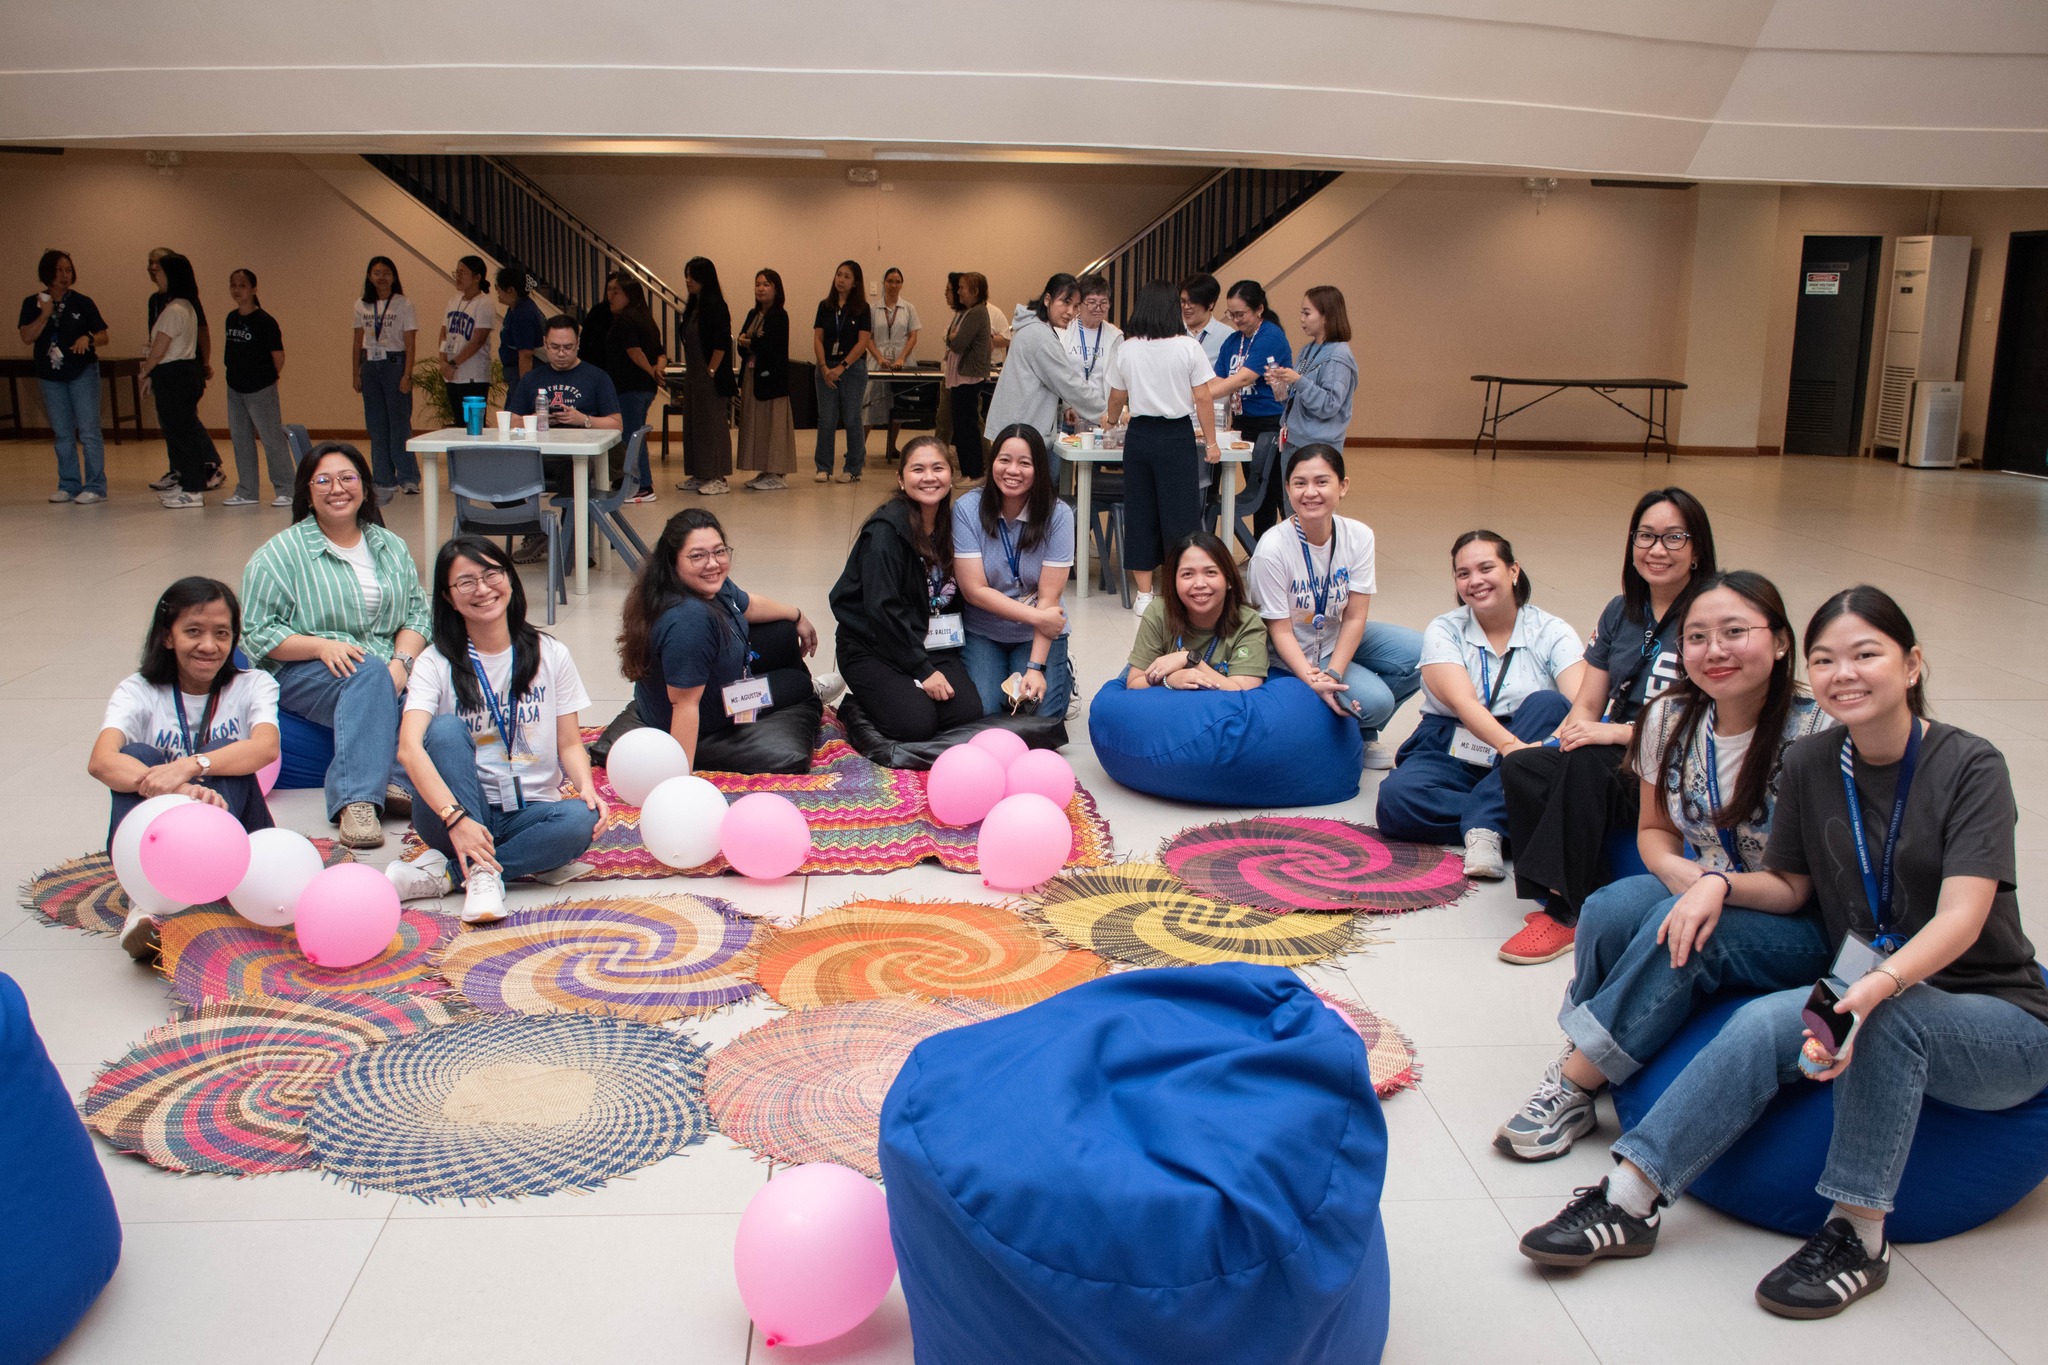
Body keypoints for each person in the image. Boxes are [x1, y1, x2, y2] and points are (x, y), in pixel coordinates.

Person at [1516, 586, 2048, 1322]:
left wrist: (1881, 986)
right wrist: (1712, 886)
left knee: (1889, 1019)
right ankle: (1629, 1198)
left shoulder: (1969, 765)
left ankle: (1858, 1236)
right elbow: (1794, 886)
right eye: (1828, 658)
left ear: (1913, 663)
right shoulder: (1814, 760)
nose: (1844, 673)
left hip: (1990, 1009)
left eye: (1867, 654)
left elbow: (1964, 915)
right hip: (1859, 968)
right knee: (1762, 1023)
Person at [1495, 570, 1833, 1162]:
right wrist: (1687, 878)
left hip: (1800, 918)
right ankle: (1595, 1051)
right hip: (1707, 883)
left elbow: (1799, 887)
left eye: (1735, 632)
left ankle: (1576, 1082)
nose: (1715, 650)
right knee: (1605, 908)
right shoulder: (1667, 718)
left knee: (1693, 931)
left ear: (1781, 641)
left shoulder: (1816, 733)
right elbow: (1655, 831)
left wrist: (1708, 891)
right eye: (1697, 637)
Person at [1498, 488, 1717, 965]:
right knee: (1523, 765)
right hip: (1615, 757)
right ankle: (1569, 888)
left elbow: (1709, 718)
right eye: (1646, 536)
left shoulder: (1712, 616)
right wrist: (1563, 739)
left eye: (1673, 538)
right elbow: (1590, 701)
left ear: (1697, 549)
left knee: (1589, 762)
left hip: (1676, 765)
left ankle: (1568, 912)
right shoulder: (1621, 612)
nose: (1657, 549)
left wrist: (1614, 734)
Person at [386, 537, 600, 924]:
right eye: (466, 582)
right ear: (449, 598)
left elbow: (569, 743)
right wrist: (457, 819)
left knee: (580, 820)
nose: (483, 589)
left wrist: (586, 786)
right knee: (446, 729)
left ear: (511, 579)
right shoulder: (435, 662)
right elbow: (409, 749)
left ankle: (458, 873)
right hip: (454, 812)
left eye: (492, 574)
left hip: (530, 810)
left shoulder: (550, 653)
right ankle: (493, 862)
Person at [240, 441, 431, 849]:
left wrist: (402, 663)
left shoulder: (389, 546)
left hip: (382, 667)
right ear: (307, 493)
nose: (337, 488)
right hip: (304, 670)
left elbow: (417, 614)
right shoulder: (279, 554)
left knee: (430, 690)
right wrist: (318, 647)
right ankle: (358, 799)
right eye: (323, 480)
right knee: (366, 675)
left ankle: (396, 783)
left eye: (347, 478)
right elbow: (257, 632)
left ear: (364, 487)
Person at [1374, 531, 1586, 878]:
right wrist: (1513, 753)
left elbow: (1581, 703)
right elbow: (1464, 702)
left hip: (1530, 734)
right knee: (1397, 801)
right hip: (1455, 744)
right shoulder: (1444, 629)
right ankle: (1508, 814)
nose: (1475, 581)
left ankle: (1487, 823)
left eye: (1486, 568)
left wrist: (1530, 753)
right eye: (1463, 573)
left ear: (1513, 571)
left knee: (1549, 704)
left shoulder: (1551, 630)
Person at [90, 577, 280, 958]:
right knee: (139, 754)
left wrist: (192, 766)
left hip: (234, 830)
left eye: (222, 634)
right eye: (193, 631)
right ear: (167, 637)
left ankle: (218, 891)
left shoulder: (254, 683)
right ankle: (146, 904)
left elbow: (265, 748)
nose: (209, 646)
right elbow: (102, 760)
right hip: (160, 841)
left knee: (229, 750)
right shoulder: (138, 689)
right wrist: (179, 791)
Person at [1249, 444, 1422, 771]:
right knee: (1378, 701)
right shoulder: (1272, 549)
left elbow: (1355, 616)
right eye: (1299, 483)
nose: (1310, 492)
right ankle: (1344, 723)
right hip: (1290, 652)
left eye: (1321, 482)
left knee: (1425, 653)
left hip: (1334, 634)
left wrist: (1334, 672)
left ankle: (1362, 731)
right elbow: (1279, 629)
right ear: (1288, 489)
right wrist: (1313, 678)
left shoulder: (1359, 536)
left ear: (1343, 486)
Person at [617, 509, 829, 773]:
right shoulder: (688, 621)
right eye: (697, 556)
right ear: (673, 561)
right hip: (720, 705)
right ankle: (812, 689)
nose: (713, 564)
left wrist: (797, 615)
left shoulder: (707, 584)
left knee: (783, 631)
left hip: (712, 678)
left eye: (719, 552)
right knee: (797, 683)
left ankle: (776, 675)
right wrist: (679, 777)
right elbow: (684, 704)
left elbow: (746, 605)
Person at [829, 436, 983, 742]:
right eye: (917, 470)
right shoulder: (886, 533)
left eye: (938, 468)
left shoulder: (951, 525)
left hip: (928, 638)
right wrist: (923, 671)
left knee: (966, 713)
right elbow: (881, 611)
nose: (929, 478)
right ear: (901, 479)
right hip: (872, 645)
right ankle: (854, 708)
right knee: (915, 725)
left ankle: (900, 696)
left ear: (951, 476)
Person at [1104, 282, 1221, 613]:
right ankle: (1177, 593)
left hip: (1140, 436)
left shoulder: (1127, 348)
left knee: (1140, 511)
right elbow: (1202, 397)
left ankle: (1144, 595)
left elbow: (1116, 397)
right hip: (1177, 436)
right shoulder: (1187, 347)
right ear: (1172, 308)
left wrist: (1111, 421)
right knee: (1180, 516)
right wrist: (1211, 443)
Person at [954, 424, 1075, 716]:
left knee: (1039, 717)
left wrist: (1036, 667)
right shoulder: (967, 508)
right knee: (982, 712)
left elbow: (1049, 597)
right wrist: (1040, 617)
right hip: (984, 630)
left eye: (1025, 463)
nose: (1013, 470)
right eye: (1004, 460)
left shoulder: (1058, 515)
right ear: (992, 461)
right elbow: (974, 591)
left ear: (1040, 469)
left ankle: (1064, 673)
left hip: (1037, 634)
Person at [504, 315, 624, 561]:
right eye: (555, 347)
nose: (561, 353)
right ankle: (536, 531)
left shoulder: (597, 377)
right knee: (496, 475)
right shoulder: (532, 379)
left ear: (578, 344)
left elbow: (616, 424)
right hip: (537, 456)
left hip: (577, 458)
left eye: (568, 347)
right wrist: (537, 420)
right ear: (545, 344)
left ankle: (574, 547)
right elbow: (512, 421)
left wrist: (584, 420)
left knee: (576, 470)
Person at [1263, 285, 1359, 530]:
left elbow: (1329, 405)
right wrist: (1280, 385)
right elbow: (1295, 399)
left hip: (1318, 444)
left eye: (1307, 313)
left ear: (1326, 316)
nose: (1301, 319)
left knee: (1312, 511)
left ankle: (1312, 563)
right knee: (1291, 509)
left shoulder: (1338, 356)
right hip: (1294, 439)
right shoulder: (1308, 350)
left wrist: (1298, 380)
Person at [19, 249, 109, 505]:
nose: (64, 275)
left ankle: (95, 485)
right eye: (59, 270)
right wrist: (45, 314)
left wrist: (88, 338)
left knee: (89, 431)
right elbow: (27, 337)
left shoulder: (83, 302)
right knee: (62, 432)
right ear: (47, 272)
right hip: (50, 375)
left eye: (68, 270)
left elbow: (103, 335)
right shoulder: (32, 303)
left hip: (82, 372)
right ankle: (68, 484)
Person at [1125, 532, 1269, 691]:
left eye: (1210, 572)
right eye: (1187, 574)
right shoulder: (1159, 612)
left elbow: (1243, 691)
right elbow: (1134, 683)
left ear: (1228, 580)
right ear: (1174, 582)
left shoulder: (1248, 622)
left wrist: (1189, 660)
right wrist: (1169, 680)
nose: (1199, 583)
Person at [982, 273, 1104, 456]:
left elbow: (1049, 379)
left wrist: (1066, 406)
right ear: (1048, 299)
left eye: (1076, 306)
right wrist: (1107, 414)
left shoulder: (1034, 327)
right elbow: (1069, 383)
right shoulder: (1040, 336)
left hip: (1018, 428)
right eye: (1065, 302)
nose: (1070, 312)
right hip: (1021, 434)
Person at [138, 252, 221, 510]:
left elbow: (159, 349)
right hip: (177, 373)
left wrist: (145, 372)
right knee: (178, 432)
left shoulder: (176, 309)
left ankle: (194, 489)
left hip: (176, 375)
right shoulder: (183, 305)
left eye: (159, 272)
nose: (156, 276)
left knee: (182, 434)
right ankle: (187, 484)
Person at [1209, 279, 1294, 533]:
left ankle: (1292, 547)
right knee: (1258, 488)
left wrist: (1198, 397)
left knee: (1277, 489)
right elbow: (1218, 378)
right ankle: (1260, 547)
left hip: (1271, 421)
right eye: (1231, 314)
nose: (1235, 319)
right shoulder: (1234, 341)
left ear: (1259, 310)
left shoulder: (1271, 336)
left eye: (1240, 314)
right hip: (1244, 422)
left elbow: (1243, 378)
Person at [220, 268, 293, 509]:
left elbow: (278, 355)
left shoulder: (265, 321)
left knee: (271, 438)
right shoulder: (231, 318)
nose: (236, 290)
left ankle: (286, 488)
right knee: (240, 438)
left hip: (260, 387)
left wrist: (269, 378)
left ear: (253, 289)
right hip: (235, 387)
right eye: (233, 285)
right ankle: (247, 489)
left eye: (242, 285)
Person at [351, 255, 419, 500]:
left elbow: (410, 343)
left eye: (386, 272)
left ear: (394, 276)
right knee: (376, 424)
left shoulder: (403, 304)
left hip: (395, 363)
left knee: (399, 423)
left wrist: (407, 374)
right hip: (370, 365)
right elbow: (358, 341)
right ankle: (383, 478)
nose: (381, 277)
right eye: (377, 272)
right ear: (370, 276)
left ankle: (408, 477)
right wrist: (355, 372)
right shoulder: (361, 304)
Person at [602, 271, 667, 498]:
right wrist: (657, 370)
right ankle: (637, 484)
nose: (610, 295)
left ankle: (642, 486)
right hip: (642, 388)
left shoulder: (625, 319)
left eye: (616, 291)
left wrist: (652, 371)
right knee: (635, 435)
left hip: (630, 386)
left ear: (629, 294)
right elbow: (661, 353)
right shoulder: (645, 317)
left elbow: (634, 352)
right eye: (609, 290)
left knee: (631, 437)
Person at [735, 268, 797, 491]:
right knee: (757, 426)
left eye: (766, 284)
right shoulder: (753, 314)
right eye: (758, 284)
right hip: (752, 377)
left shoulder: (780, 315)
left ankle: (777, 473)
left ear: (776, 289)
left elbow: (769, 347)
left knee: (774, 426)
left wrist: (749, 343)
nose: (761, 288)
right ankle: (765, 469)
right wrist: (747, 344)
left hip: (773, 381)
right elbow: (741, 343)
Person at [675, 258, 732, 499]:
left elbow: (721, 343)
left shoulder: (717, 306)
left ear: (705, 278)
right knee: (693, 426)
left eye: (693, 276)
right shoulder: (693, 308)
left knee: (712, 427)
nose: (688, 280)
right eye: (686, 275)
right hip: (693, 376)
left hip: (710, 377)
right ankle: (700, 472)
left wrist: (710, 371)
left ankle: (717, 476)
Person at [813, 260, 873, 483]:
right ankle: (823, 467)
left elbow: (863, 342)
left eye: (847, 276)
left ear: (855, 282)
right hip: (825, 367)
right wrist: (824, 367)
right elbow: (818, 338)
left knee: (851, 418)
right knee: (826, 419)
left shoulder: (862, 309)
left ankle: (853, 468)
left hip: (852, 369)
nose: (841, 280)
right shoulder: (824, 306)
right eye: (839, 275)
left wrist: (841, 367)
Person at [436, 255, 497, 430]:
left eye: (463, 273)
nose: (458, 276)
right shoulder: (453, 300)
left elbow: (478, 340)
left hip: (473, 375)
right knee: (458, 422)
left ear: (477, 277)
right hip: (452, 374)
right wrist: (443, 361)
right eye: (457, 272)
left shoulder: (484, 304)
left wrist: (453, 364)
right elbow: (443, 332)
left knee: (473, 425)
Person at [944, 272, 995, 479]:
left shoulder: (977, 313)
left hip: (969, 376)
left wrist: (951, 338)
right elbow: (952, 337)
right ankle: (968, 471)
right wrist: (952, 337)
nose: (958, 291)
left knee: (967, 426)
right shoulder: (969, 311)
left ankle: (973, 472)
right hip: (962, 375)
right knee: (962, 425)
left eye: (962, 288)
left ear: (975, 292)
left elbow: (957, 343)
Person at [865, 266, 921, 436]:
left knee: (898, 403)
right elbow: (868, 337)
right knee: (870, 401)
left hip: (901, 360)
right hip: (877, 359)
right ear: (884, 282)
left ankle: (892, 447)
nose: (893, 285)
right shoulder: (873, 309)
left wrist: (902, 359)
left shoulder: (909, 308)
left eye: (897, 282)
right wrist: (880, 358)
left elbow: (913, 336)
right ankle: (860, 448)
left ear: (902, 285)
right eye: (890, 281)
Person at [1061, 272, 1123, 417]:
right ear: (1080, 304)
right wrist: (1066, 407)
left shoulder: (1115, 336)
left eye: (1103, 303)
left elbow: (1118, 381)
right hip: (1071, 414)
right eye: (1091, 302)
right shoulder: (1064, 331)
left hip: (1102, 415)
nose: (1098, 308)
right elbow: (1059, 376)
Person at [494, 265, 546, 390]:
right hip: (514, 371)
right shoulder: (515, 308)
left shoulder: (523, 313)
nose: (496, 291)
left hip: (523, 372)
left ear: (511, 290)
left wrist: (525, 387)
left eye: (498, 287)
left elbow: (525, 354)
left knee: (518, 409)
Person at [1179, 272, 1231, 365]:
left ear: (1210, 304)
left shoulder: (1227, 335)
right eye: (1183, 301)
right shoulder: (1174, 331)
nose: (1186, 307)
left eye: (1192, 302)